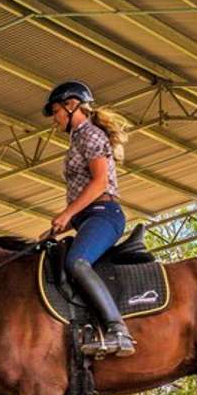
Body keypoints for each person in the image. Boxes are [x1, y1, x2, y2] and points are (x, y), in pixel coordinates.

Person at [43, 80, 136, 358]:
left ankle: (118, 332)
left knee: (77, 262)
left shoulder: (91, 135)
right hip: (87, 217)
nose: (55, 119)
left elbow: (99, 184)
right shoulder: (77, 140)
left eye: (56, 111)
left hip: (104, 215)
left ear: (72, 106)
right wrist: (62, 225)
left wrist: (67, 213)